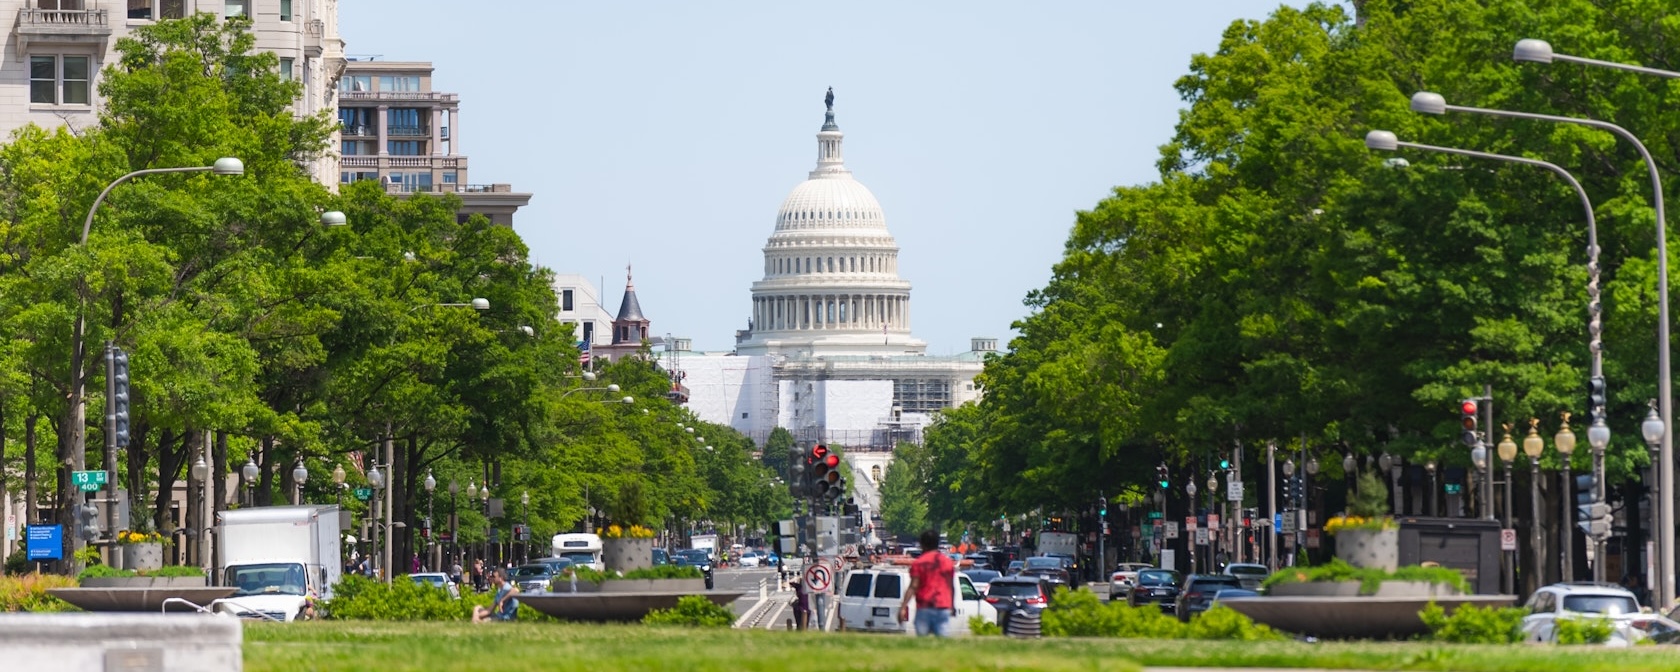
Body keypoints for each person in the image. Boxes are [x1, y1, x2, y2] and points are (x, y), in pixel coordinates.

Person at [900, 529, 955, 637]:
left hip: (924, 606)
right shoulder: (947, 562)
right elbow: (951, 586)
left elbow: (913, 586)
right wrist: (952, 605)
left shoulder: (919, 563)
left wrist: (903, 606)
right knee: (943, 642)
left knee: (922, 643)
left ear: (922, 544)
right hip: (943, 606)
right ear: (937, 543)